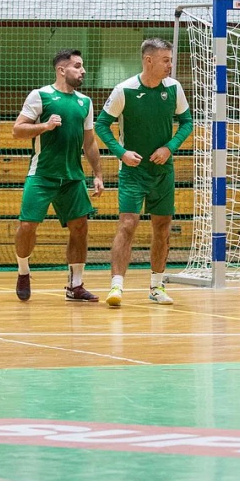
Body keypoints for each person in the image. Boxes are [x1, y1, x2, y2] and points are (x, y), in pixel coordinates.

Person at [95, 38, 193, 307]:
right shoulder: (124, 90)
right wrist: (121, 153)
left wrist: (169, 147)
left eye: (170, 60)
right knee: (128, 224)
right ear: (149, 60)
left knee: (162, 227)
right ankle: (116, 286)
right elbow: (102, 125)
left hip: (163, 171)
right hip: (133, 172)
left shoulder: (174, 88)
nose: (170, 65)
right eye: (165, 60)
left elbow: (187, 122)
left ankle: (156, 286)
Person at [12, 49, 106, 303]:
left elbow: (90, 142)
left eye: (82, 66)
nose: (83, 71)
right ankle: (23, 271)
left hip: (73, 177)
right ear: (62, 70)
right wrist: (45, 126)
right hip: (42, 174)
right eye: (77, 66)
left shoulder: (85, 102)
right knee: (27, 226)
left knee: (80, 227)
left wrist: (98, 174)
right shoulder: (40, 95)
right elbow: (17, 130)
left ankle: (75, 286)